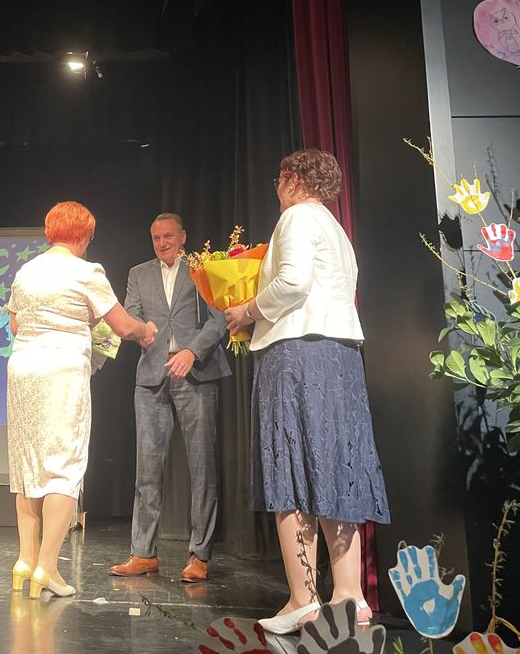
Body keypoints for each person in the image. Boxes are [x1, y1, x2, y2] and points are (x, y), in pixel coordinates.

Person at [223, 150, 389, 632]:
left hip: (297, 354)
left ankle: (303, 599)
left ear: (295, 179)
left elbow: (293, 282)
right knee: (338, 465)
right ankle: (351, 596)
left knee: (290, 466)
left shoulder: (296, 217)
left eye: (280, 178)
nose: (277, 187)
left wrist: (247, 311)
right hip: (340, 355)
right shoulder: (336, 229)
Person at [7, 201, 156, 600]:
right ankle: (48, 567)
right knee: (64, 464)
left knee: (29, 463)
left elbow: (16, 324)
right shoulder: (87, 272)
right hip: (61, 371)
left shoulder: (26, 271)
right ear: (86, 235)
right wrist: (145, 330)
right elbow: (121, 325)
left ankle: (25, 560)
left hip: (23, 368)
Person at [109, 213, 230, 583]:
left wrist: (191, 352)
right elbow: (131, 314)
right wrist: (140, 331)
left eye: (168, 236)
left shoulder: (201, 268)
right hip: (152, 377)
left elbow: (219, 320)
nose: (162, 243)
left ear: (183, 237)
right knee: (146, 470)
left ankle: (200, 555)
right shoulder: (138, 274)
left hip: (195, 373)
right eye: (156, 237)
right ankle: (143, 553)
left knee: (202, 468)